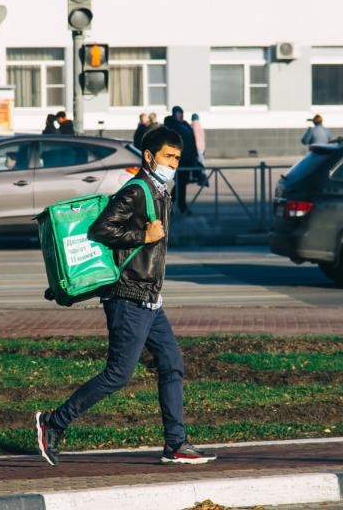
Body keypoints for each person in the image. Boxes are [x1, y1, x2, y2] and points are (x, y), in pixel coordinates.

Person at [35, 126, 217, 467]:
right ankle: (53, 423)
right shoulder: (137, 190)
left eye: (177, 158)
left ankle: (175, 444)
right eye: (168, 156)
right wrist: (143, 236)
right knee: (118, 374)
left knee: (171, 364)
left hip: (149, 295)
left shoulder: (161, 191)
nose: (174, 163)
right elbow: (101, 230)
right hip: (129, 296)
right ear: (149, 157)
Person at [163, 106, 198, 214]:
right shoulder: (171, 124)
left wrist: (195, 154)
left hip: (189, 158)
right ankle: (175, 206)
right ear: (174, 114)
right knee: (180, 183)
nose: (179, 115)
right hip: (178, 158)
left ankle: (177, 206)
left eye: (181, 113)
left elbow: (191, 139)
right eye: (177, 113)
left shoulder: (185, 124)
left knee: (182, 183)